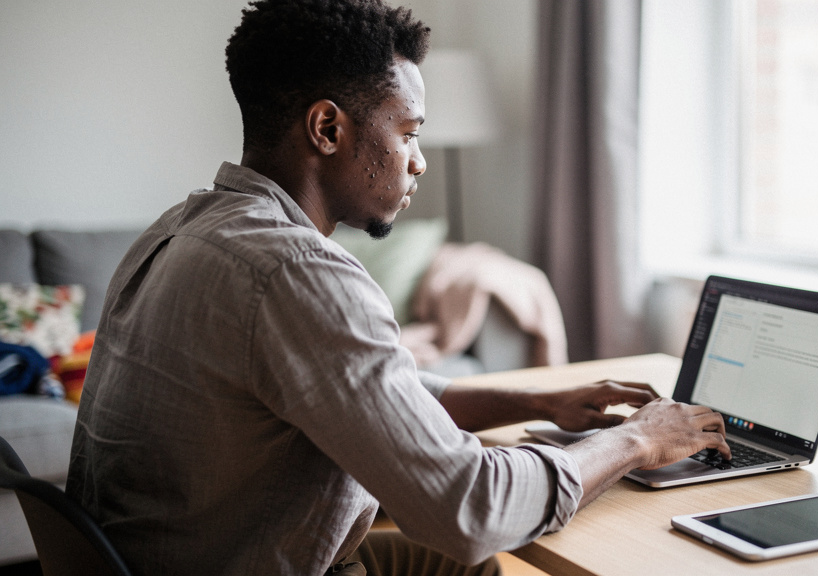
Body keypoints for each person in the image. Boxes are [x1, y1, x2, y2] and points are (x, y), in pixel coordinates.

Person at [66, 1, 731, 575]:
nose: (419, 161)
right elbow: (470, 509)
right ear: (328, 129)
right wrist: (637, 440)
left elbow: (371, 391)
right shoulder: (297, 272)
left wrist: (538, 401)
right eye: (408, 132)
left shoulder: (180, 226)